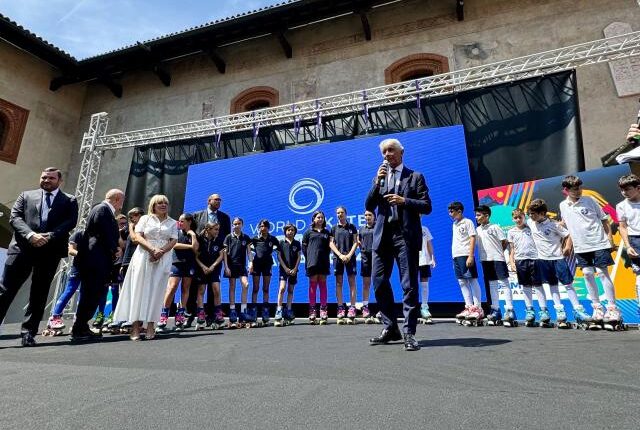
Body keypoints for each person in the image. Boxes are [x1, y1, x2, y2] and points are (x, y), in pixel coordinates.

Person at [365, 138, 432, 351]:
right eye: (384, 152)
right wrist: (377, 181)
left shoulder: (415, 177)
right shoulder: (380, 178)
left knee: (409, 284)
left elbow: (427, 206)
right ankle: (390, 327)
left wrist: (405, 201)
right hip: (382, 237)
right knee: (378, 281)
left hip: (405, 236)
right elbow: (369, 205)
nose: (387, 155)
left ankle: (409, 332)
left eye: (391, 150)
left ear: (401, 152)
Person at [0, 167, 78, 346]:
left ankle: (28, 333)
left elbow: (70, 222)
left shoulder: (69, 200)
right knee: (5, 290)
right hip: (22, 249)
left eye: (51, 178)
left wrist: (49, 236)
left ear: (59, 181)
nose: (46, 180)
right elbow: (15, 218)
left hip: (49, 252)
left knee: (39, 293)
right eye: (44, 177)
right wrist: (31, 235)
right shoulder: (26, 195)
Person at [113, 195, 178, 341]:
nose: (163, 205)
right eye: (159, 203)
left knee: (157, 291)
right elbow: (137, 237)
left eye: (165, 203)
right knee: (139, 290)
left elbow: (173, 240)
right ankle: (135, 327)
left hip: (163, 258)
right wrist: (152, 250)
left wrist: (160, 252)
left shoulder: (173, 222)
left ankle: (150, 326)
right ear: (153, 205)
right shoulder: (145, 219)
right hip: (143, 256)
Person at [560, 175, 621, 327]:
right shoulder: (563, 205)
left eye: (580, 187)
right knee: (587, 274)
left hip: (598, 243)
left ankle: (612, 309)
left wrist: (610, 240)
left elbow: (604, 220)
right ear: (566, 190)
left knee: (602, 273)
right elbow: (568, 226)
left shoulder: (590, 200)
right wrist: (567, 246)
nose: (579, 191)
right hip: (581, 246)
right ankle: (597, 308)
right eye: (575, 189)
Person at [527, 198, 592, 328]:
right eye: (529, 214)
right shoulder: (530, 222)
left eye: (533, 214)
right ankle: (559, 311)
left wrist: (567, 247)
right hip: (542, 260)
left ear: (542, 213)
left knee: (568, 284)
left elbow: (568, 235)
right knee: (552, 286)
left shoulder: (554, 225)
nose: (530, 216)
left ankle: (578, 310)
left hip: (558, 259)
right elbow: (520, 220)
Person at [71, 189, 124, 342]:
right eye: (121, 200)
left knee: (93, 293)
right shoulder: (102, 209)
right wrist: (114, 248)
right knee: (91, 293)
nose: (122, 204)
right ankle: (80, 328)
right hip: (96, 259)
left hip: (98, 259)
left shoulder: (103, 209)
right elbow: (104, 232)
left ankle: (81, 326)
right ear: (117, 199)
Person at [190, 193, 231, 326]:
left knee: (215, 288)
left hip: (215, 258)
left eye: (220, 200)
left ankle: (213, 316)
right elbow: (192, 234)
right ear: (209, 201)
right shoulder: (197, 215)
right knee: (197, 288)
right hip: (201, 259)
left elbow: (226, 238)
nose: (218, 201)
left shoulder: (224, 217)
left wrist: (221, 260)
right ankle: (193, 315)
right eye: (216, 199)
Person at [507, 208, 551, 327]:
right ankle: (529, 310)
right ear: (512, 219)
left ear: (524, 217)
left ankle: (543, 310)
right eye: (515, 218)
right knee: (526, 286)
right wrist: (511, 261)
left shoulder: (531, 228)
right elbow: (512, 249)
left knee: (538, 285)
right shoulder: (511, 232)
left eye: (520, 217)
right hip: (520, 261)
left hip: (535, 259)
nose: (518, 220)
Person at [474, 205, 516, 326]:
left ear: (486, 215)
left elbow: (504, 241)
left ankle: (510, 310)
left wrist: (499, 253)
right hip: (485, 260)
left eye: (479, 215)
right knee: (492, 284)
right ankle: (496, 310)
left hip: (498, 259)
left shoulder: (495, 227)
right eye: (476, 215)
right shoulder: (477, 230)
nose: (476, 217)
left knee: (504, 283)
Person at [159, 213, 198, 332]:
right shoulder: (175, 232)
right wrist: (189, 246)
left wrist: (193, 235)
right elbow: (174, 245)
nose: (179, 223)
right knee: (172, 287)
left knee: (185, 289)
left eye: (182, 221)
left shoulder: (193, 234)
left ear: (189, 222)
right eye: (179, 221)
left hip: (189, 264)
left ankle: (180, 316)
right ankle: (163, 316)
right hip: (176, 263)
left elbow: (196, 248)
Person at [108, 207, 144, 332]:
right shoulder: (128, 230)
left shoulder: (143, 228)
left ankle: (133, 318)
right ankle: (121, 318)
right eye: (131, 216)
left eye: (134, 215)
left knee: (135, 291)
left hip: (138, 261)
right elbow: (123, 245)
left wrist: (131, 228)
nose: (132, 219)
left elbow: (136, 240)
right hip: (126, 262)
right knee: (125, 291)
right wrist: (119, 233)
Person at [448, 202, 484, 324]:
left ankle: (478, 308)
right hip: (456, 256)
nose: (450, 214)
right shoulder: (454, 224)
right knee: (462, 281)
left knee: (472, 279)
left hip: (465, 254)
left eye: (452, 211)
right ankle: (469, 307)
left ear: (459, 211)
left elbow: (472, 237)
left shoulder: (468, 222)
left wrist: (470, 256)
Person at [45, 229, 84, 334]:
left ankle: (78, 319)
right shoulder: (79, 233)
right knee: (70, 290)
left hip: (90, 268)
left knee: (84, 293)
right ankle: (54, 317)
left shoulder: (96, 236)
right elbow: (71, 250)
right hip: (77, 267)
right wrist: (84, 255)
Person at [95, 214, 128, 329]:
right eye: (121, 223)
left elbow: (123, 246)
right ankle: (100, 314)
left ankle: (114, 314)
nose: (123, 225)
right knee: (103, 290)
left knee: (115, 290)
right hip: (107, 264)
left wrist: (119, 233)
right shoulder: (108, 232)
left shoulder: (125, 234)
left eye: (125, 223)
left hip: (118, 265)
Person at [329, 206, 358, 324]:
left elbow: (356, 242)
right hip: (338, 258)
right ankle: (340, 308)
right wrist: (340, 255)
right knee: (339, 283)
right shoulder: (333, 228)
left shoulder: (352, 227)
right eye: (338, 213)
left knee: (352, 282)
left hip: (350, 258)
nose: (339, 214)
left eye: (341, 212)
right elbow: (331, 243)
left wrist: (349, 255)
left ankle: (352, 308)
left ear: (346, 214)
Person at [195, 222, 226, 329]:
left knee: (216, 289)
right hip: (202, 269)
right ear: (208, 229)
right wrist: (203, 267)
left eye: (218, 229)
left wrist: (213, 266)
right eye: (215, 229)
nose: (217, 231)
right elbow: (196, 256)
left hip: (214, 269)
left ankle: (218, 316)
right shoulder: (199, 240)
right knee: (201, 290)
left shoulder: (219, 240)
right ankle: (201, 317)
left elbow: (221, 255)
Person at [616, 174, 640, 316]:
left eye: (627, 189)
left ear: (638, 188)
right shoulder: (621, 206)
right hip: (635, 241)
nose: (624, 192)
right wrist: (628, 246)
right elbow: (623, 227)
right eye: (622, 190)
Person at [302, 210, 331, 324]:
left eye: (322, 217)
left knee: (323, 285)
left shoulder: (327, 232)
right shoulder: (308, 232)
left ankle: (323, 310)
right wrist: (310, 258)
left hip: (323, 262)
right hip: (312, 263)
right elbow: (304, 248)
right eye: (318, 217)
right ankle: (312, 311)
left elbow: (329, 248)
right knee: (313, 286)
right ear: (313, 219)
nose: (320, 219)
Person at [223, 217, 252, 327]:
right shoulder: (228, 237)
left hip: (242, 267)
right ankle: (232, 312)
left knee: (246, 285)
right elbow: (225, 253)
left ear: (242, 225)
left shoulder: (246, 238)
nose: (237, 225)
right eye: (235, 224)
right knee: (232, 287)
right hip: (231, 266)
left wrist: (251, 263)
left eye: (239, 223)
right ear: (232, 225)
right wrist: (226, 267)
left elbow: (249, 252)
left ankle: (243, 311)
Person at [249, 219, 279, 325]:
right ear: (259, 228)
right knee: (255, 289)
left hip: (267, 265)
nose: (263, 228)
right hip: (256, 265)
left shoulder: (272, 239)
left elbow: (279, 249)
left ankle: (265, 313)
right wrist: (250, 263)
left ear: (268, 228)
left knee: (266, 289)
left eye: (265, 226)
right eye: (261, 226)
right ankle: (253, 313)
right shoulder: (255, 239)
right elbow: (248, 249)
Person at [274, 223, 301, 326]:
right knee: (282, 289)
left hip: (294, 270)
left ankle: (288, 310)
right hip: (283, 270)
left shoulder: (297, 243)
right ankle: (279, 310)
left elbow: (299, 256)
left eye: (292, 230)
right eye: (288, 230)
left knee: (290, 290)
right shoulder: (281, 242)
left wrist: (295, 268)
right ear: (285, 231)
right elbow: (279, 256)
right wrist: (285, 268)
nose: (290, 232)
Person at [358, 210, 375, 321]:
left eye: (370, 215)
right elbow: (359, 242)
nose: (367, 217)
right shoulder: (362, 229)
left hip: (377, 258)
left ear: (374, 216)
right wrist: (363, 250)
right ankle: (365, 307)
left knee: (379, 284)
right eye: (366, 215)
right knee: (366, 284)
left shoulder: (378, 227)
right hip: (365, 259)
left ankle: (382, 308)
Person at [418, 224, 435, 324]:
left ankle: (424, 307)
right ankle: (411, 308)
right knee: (410, 285)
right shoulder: (406, 227)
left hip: (424, 259)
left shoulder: (424, 229)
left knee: (424, 282)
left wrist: (432, 257)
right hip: (411, 260)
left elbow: (429, 244)